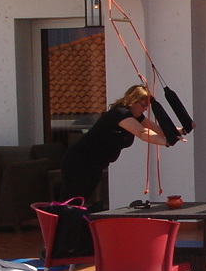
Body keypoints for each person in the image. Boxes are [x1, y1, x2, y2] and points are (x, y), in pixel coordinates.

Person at [58, 85, 188, 205]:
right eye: (143, 105)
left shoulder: (136, 116)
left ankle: (70, 222)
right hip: (79, 162)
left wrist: (183, 130)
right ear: (134, 102)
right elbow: (142, 132)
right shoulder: (120, 114)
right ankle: (60, 222)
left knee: (80, 201)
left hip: (95, 164)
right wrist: (165, 142)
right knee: (70, 202)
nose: (145, 109)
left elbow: (158, 129)